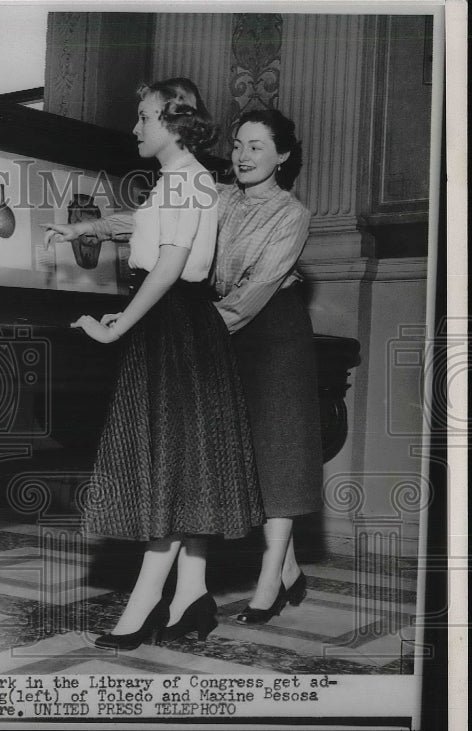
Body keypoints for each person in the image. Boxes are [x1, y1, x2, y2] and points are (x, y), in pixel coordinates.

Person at [43, 78, 263, 650]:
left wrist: (118, 324)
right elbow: (141, 226)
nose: (135, 128)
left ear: (171, 122)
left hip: (172, 321)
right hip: (178, 325)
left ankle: (141, 610)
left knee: (165, 468)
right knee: (183, 464)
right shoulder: (179, 180)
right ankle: (191, 593)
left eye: (143, 118)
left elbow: (168, 268)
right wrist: (83, 227)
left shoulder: (188, 182)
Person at [212, 109, 321, 624]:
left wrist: (206, 328)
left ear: (282, 156)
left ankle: (269, 580)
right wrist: (98, 225)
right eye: (238, 144)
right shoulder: (219, 197)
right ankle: (292, 570)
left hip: (274, 330)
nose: (242, 154)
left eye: (257, 145)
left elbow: (258, 287)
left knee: (276, 453)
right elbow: (161, 227)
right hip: (225, 324)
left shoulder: (291, 213)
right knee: (244, 454)